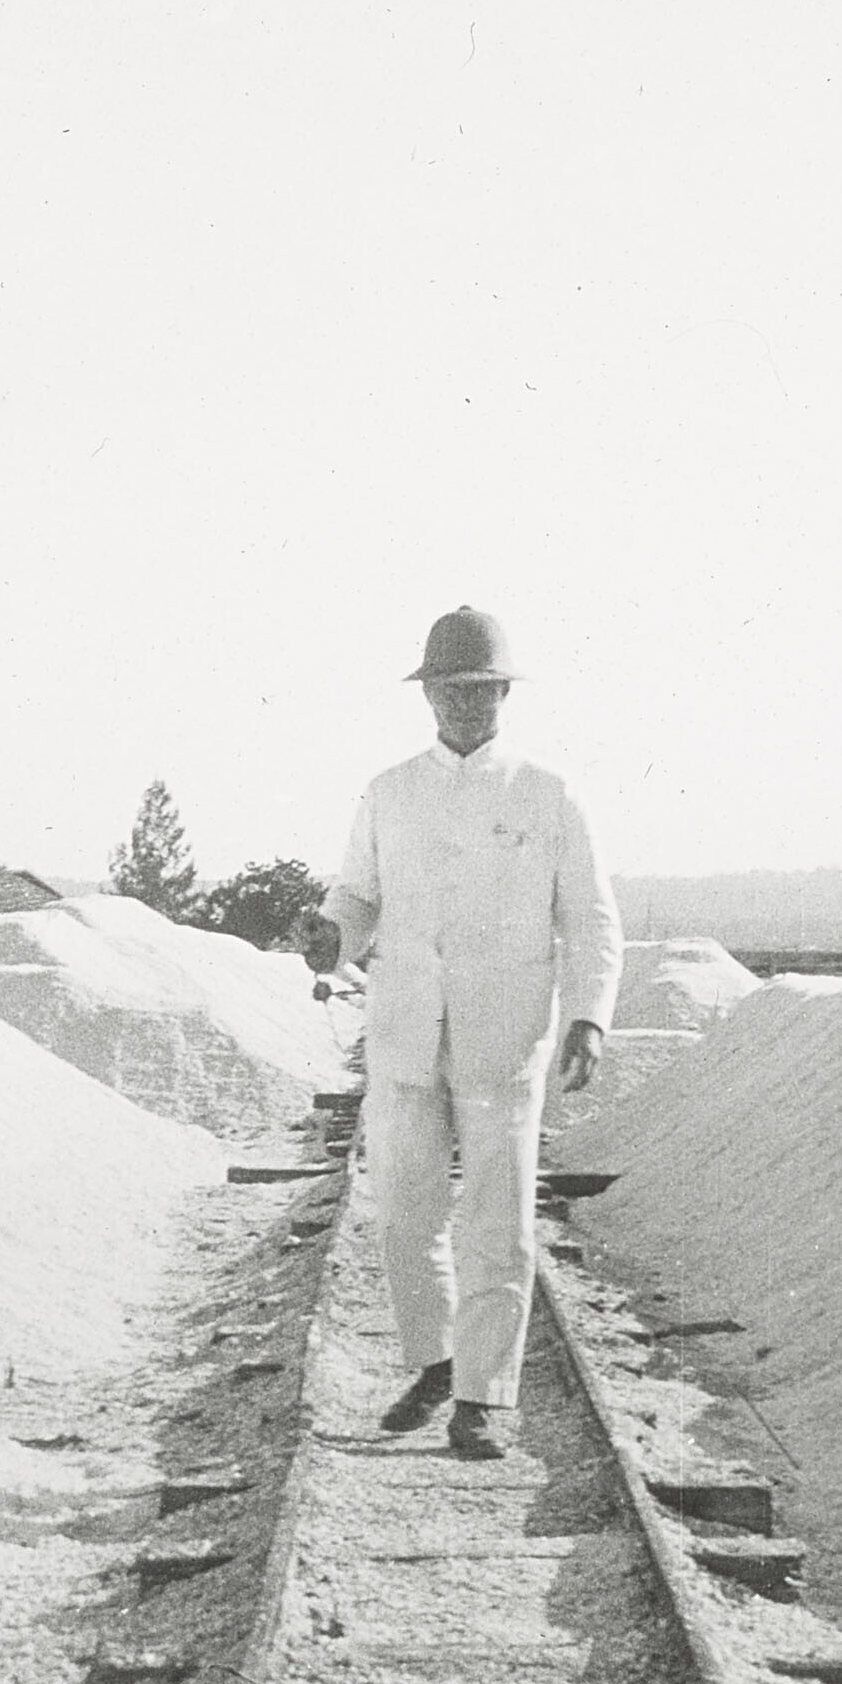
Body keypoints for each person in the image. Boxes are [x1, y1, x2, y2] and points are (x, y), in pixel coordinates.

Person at [313, 604, 620, 1462]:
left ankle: (482, 1396)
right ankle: (436, 1362)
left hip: (504, 1039)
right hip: (406, 1031)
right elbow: (357, 896)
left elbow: (590, 917)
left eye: (482, 688)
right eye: (451, 688)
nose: (466, 702)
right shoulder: (388, 792)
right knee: (405, 1214)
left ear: (504, 694)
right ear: (427, 694)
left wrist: (589, 1015)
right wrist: (330, 935)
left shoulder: (548, 794)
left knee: (498, 1220)